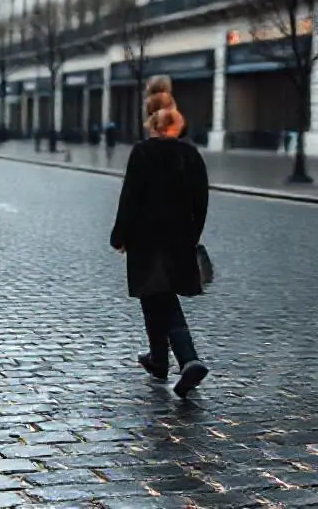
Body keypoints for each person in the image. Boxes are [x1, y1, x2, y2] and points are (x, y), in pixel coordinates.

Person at [110, 75, 211, 399]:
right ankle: (158, 359)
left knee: (161, 297)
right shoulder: (190, 154)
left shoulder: (142, 154)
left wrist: (120, 236)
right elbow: (201, 201)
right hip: (179, 239)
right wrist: (192, 234)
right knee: (154, 296)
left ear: (151, 121)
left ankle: (188, 359)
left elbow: (130, 199)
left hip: (146, 240)